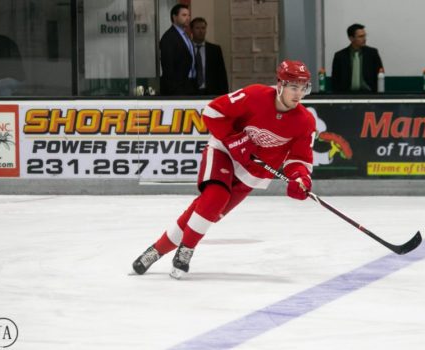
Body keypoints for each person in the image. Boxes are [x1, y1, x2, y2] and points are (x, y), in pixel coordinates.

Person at [132, 60, 316, 279]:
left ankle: (156, 250)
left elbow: (299, 159)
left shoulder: (305, 121)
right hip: (224, 152)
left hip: (253, 172)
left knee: (206, 212)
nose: (298, 94)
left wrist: (300, 178)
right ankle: (186, 250)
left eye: (303, 88)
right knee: (216, 195)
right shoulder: (255, 95)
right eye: (293, 87)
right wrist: (235, 140)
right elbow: (213, 112)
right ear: (280, 85)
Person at [331, 23, 383, 93]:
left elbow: (379, 74)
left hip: (368, 94)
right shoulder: (340, 56)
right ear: (351, 38)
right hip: (346, 95)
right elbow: (335, 79)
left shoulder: (372, 53)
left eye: (365, 36)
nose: (364, 39)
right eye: (360, 36)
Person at [159, 4, 197, 95]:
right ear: (174, 17)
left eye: (189, 15)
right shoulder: (169, 37)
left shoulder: (185, 36)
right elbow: (168, 67)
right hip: (177, 89)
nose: (187, 18)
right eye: (184, 15)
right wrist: (174, 91)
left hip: (190, 85)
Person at [190, 17, 229, 95]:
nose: (201, 31)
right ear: (191, 30)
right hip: (191, 91)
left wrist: (224, 93)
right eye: (197, 28)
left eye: (203, 28)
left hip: (211, 91)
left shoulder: (214, 50)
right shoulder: (187, 48)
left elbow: (221, 73)